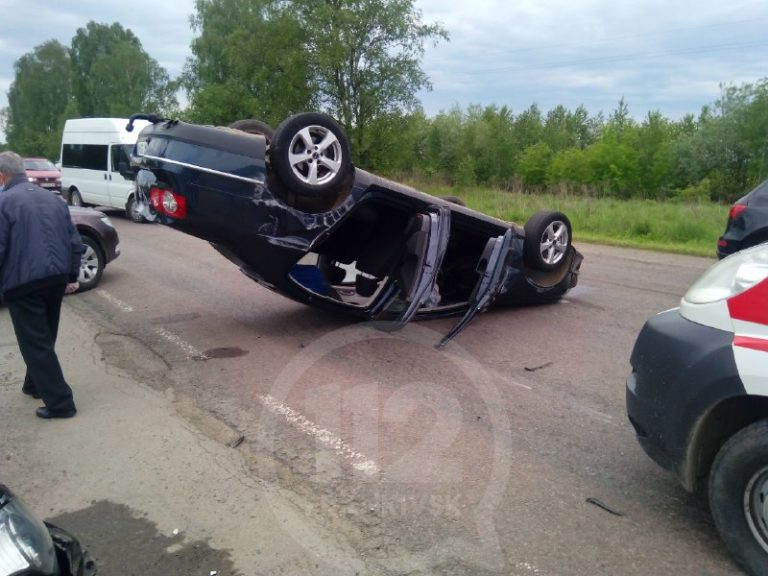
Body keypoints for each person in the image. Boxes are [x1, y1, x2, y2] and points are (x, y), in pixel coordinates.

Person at [0, 151, 83, 419]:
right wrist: (71, 276)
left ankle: (61, 404)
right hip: (56, 279)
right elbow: (74, 241)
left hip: (23, 282)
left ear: (2, 176)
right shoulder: (52, 199)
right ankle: (34, 384)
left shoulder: (4, 202)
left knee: (35, 343)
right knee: (43, 338)